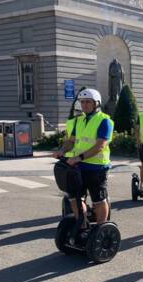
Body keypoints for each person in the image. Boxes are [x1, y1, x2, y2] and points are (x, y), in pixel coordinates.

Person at [53, 88, 114, 228]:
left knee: (99, 200)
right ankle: (82, 225)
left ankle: (101, 228)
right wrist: (62, 150)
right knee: (74, 198)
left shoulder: (105, 121)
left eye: (88, 102)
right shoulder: (78, 120)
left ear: (96, 103)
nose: (84, 105)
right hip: (78, 167)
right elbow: (71, 141)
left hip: (97, 167)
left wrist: (78, 157)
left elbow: (100, 145)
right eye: (82, 102)